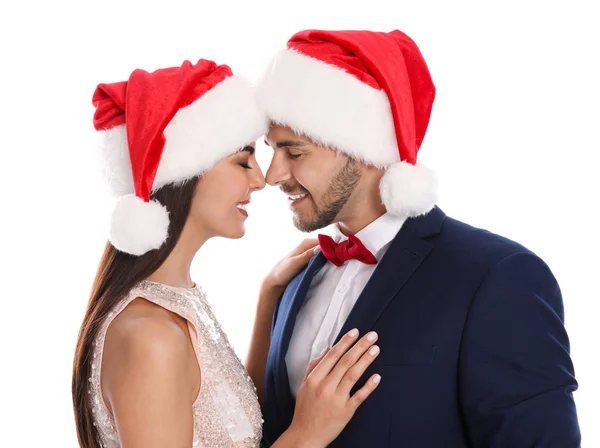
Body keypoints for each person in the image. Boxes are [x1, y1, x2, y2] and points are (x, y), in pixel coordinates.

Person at [256, 29, 581, 447]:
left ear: (361, 147)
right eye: (270, 150)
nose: (272, 175)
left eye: (294, 152)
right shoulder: (294, 282)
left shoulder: (497, 276)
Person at [71, 59, 382, 448]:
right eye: (242, 160)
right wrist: (306, 435)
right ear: (186, 173)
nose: (260, 179)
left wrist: (269, 299)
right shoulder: (151, 337)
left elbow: (230, 422)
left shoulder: (176, 301)